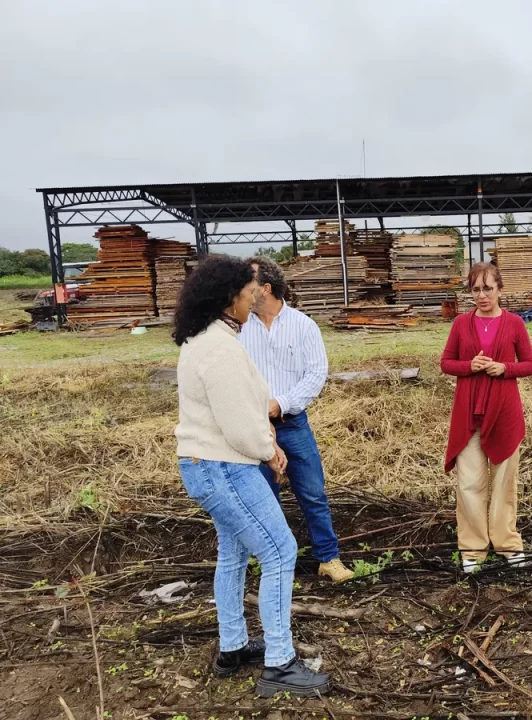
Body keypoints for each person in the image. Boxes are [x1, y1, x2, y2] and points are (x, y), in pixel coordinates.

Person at [173, 255, 331, 697]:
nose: (252, 299)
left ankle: (234, 647)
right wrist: (269, 451)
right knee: (280, 551)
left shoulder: (212, 337)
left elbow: (253, 396)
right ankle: (280, 663)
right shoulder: (218, 348)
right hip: (224, 467)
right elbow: (238, 423)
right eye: (247, 294)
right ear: (229, 297)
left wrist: (269, 441)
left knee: (234, 554)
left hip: (209, 465)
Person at [240, 257, 353, 584]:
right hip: (253, 427)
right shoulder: (240, 328)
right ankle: (272, 563)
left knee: (313, 492)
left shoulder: (303, 325)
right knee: (263, 496)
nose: (242, 290)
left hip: (293, 423)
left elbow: (316, 373)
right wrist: (259, 408)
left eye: (248, 283)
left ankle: (328, 558)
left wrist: (282, 403)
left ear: (266, 288)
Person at [440, 262, 532, 574]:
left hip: (504, 413)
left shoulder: (514, 324)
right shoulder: (459, 324)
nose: (482, 295)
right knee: (469, 484)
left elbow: (530, 364)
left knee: (504, 485)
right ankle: (473, 548)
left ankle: (507, 543)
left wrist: (504, 368)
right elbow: (446, 363)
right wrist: (471, 365)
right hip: (468, 415)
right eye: (476, 289)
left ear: (500, 290)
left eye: (488, 288)